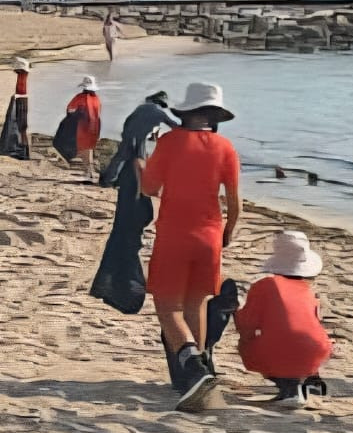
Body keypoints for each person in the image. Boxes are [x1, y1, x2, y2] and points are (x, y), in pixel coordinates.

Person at [139, 83, 241, 412]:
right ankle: (196, 376)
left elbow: (150, 188)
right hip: (210, 236)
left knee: (168, 307)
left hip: (175, 234)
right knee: (197, 303)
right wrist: (227, 232)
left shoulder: (170, 142)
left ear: (186, 112)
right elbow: (235, 203)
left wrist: (140, 167)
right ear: (215, 117)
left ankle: (192, 365)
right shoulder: (225, 147)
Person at [235, 231, 333, 409]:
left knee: (248, 346)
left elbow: (247, 326)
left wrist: (235, 311)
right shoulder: (308, 291)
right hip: (318, 349)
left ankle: (290, 389)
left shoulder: (264, 286)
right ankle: (304, 379)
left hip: (286, 349)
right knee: (297, 343)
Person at [100, 90, 180, 188]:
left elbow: (128, 120)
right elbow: (174, 125)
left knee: (120, 157)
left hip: (128, 133)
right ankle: (141, 184)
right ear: (160, 103)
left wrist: (126, 134)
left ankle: (107, 180)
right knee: (140, 159)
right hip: (140, 136)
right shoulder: (159, 113)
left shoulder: (140, 108)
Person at [62, 76, 102, 182]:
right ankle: (90, 172)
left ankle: (88, 172)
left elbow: (70, 109)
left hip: (83, 127)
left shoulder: (80, 97)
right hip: (95, 127)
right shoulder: (96, 99)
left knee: (84, 149)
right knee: (89, 149)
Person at [0, 58, 30, 160]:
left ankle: (23, 152)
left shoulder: (23, 76)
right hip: (21, 99)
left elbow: (21, 90)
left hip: (21, 100)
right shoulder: (22, 75)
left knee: (21, 128)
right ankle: (23, 152)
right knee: (22, 128)